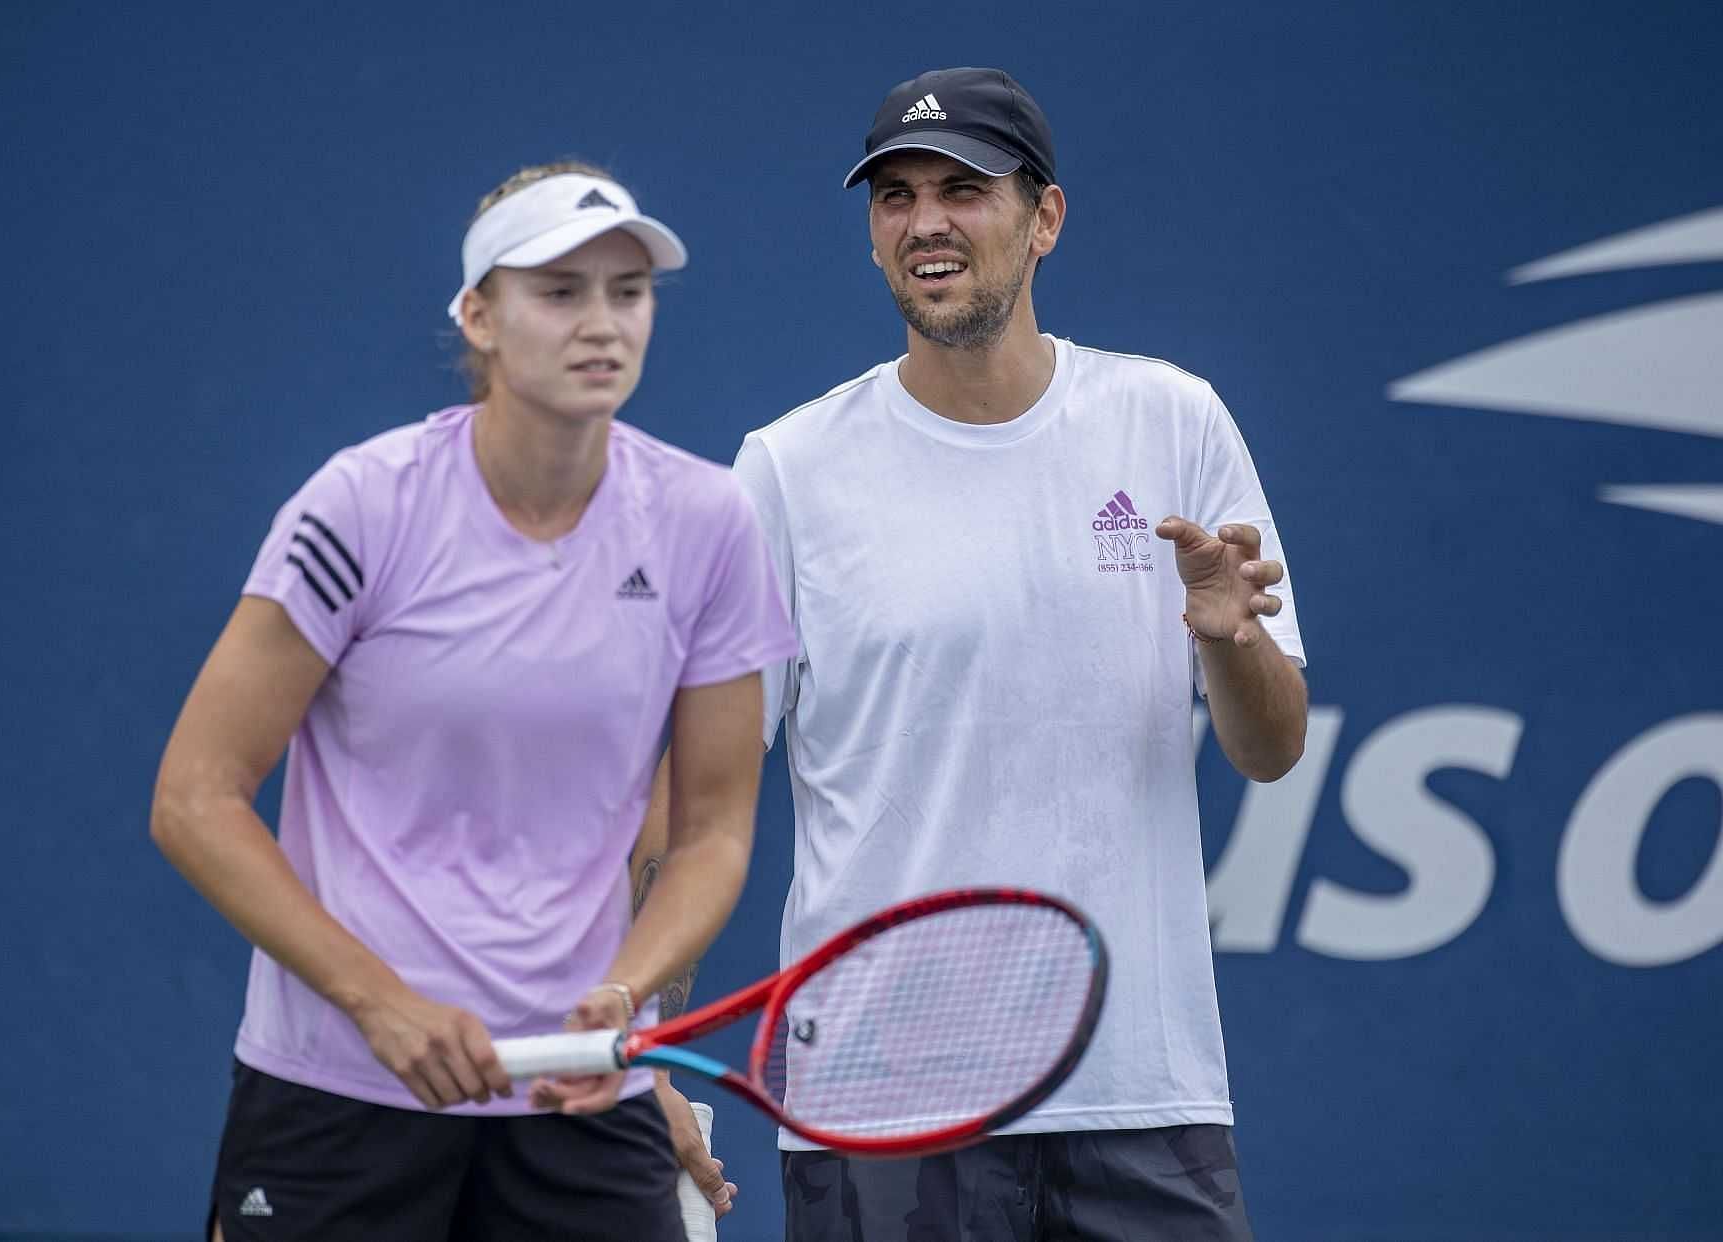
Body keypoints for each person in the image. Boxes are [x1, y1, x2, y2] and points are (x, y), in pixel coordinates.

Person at [150, 160, 794, 1241]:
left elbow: (714, 830)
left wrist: (627, 996)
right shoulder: (362, 507)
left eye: (627, 292)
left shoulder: (709, 523)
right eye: (560, 291)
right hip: (339, 1092)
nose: (602, 323)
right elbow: (195, 799)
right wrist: (378, 1002)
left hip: (581, 1093)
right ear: (480, 317)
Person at [734, 68, 1308, 1239]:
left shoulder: (1174, 422)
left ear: (1045, 219)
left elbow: (1270, 748)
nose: (926, 222)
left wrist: (1232, 642)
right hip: (881, 1112)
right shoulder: (787, 470)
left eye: (963, 189)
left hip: (1143, 1094)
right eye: (894, 197)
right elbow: (698, 794)